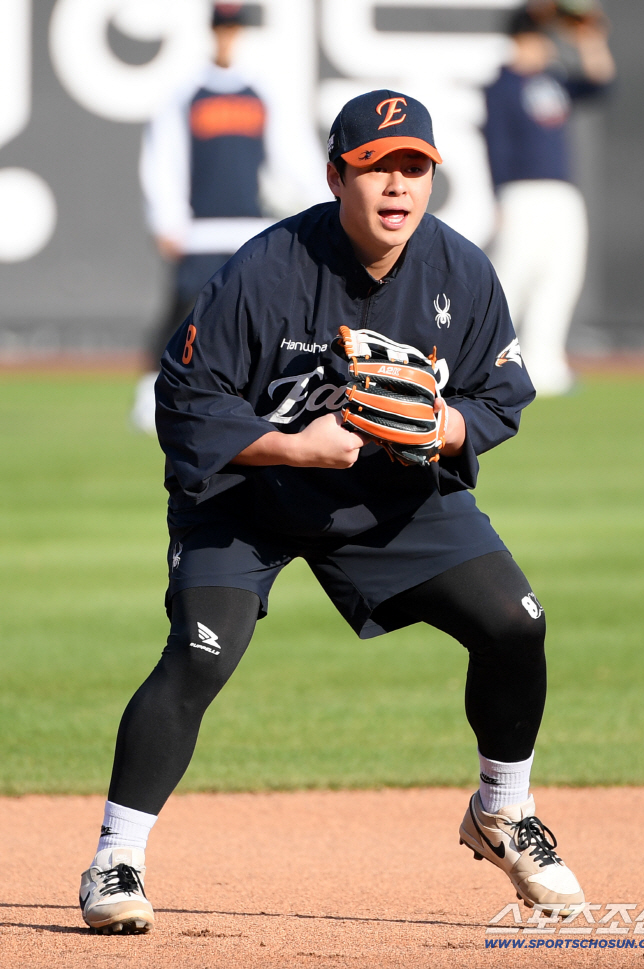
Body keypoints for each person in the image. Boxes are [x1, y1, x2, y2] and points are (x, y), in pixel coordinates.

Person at [80, 90, 584, 935]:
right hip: (248, 495)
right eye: (377, 165)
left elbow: (501, 392)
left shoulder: (459, 270)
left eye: (416, 167)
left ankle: (504, 810)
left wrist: (445, 424)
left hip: (388, 494)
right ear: (334, 176)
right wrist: (292, 448)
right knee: (202, 652)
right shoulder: (263, 269)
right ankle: (114, 858)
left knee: (516, 622)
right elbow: (184, 401)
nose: (398, 185)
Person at [132, 2, 326, 432]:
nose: (228, 36)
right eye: (222, 28)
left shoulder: (261, 91)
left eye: (234, 28)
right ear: (213, 32)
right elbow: (164, 157)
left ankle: (251, 398)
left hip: (248, 228)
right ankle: (152, 395)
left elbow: (293, 153)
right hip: (198, 229)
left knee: (255, 318)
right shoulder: (187, 93)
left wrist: (320, 201)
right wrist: (166, 217)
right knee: (183, 315)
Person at [483, 3, 615, 395]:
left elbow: (602, 84)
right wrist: (499, 198)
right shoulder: (502, 84)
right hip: (521, 192)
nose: (546, 45)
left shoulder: (553, 80)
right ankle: (484, 362)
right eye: (539, 38)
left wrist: (590, 37)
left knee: (560, 278)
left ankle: (545, 365)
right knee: (511, 278)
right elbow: (496, 145)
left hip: (561, 193)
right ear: (521, 40)